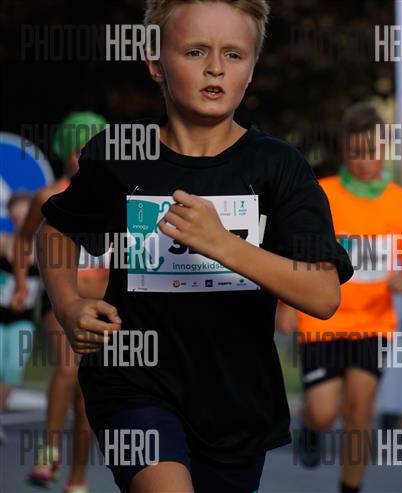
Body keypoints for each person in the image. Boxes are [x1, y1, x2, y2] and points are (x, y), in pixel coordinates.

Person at [36, 1, 352, 492]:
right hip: (131, 384)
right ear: (155, 63)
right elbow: (55, 229)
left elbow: (324, 295)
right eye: (195, 51)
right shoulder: (121, 154)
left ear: (252, 68)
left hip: (236, 401)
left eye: (234, 54)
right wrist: (67, 304)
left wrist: (222, 244)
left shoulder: (279, 166)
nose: (215, 68)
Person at [276, 102, 402, 493]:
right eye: (355, 152)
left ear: (384, 150)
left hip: (373, 325)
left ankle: (350, 488)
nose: (363, 161)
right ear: (344, 148)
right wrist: (287, 304)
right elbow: (298, 256)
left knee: (360, 412)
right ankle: (311, 427)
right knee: (325, 412)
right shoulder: (323, 194)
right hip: (321, 321)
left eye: (371, 152)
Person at [12, 111, 108, 493]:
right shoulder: (48, 196)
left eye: (92, 149)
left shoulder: (119, 196)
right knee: (68, 367)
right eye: (77, 149)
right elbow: (23, 241)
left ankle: (78, 479)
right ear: (67, 153)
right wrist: (22, 284)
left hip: (102, 304)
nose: (82, 157)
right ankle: (48, 453)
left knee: (87, 396)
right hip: (60, 300)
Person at [0, 193, 39, 444]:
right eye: (16, 215)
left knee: (14, 368)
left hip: (23, 318)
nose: (21, 219)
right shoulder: (4, 242)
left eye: (25, 214)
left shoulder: (44, 248)